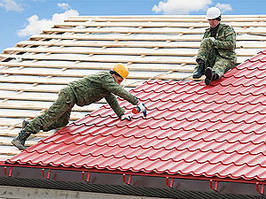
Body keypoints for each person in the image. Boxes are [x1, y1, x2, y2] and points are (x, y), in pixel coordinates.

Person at [12, 63, 143, 150]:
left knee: (62, 122)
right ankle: (20, 138)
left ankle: (30, 124)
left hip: (72, 98)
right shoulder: (106, 78)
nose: (119, 84)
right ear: (114, 75)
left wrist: (121, 114)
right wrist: (136, 102)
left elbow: (111, 99)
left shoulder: (107, 86)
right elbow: (118, 91)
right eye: (119, 81)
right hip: (69, 95)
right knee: (49, 117)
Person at [192, 7, 237, 85]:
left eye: (213, 20)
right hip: (213, 57)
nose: (211, 22)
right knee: (206, 41)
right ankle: (200, 67)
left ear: (218, 19)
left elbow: (231, 45)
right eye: (210, 20)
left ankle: (213, 76)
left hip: (226, 57)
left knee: (220, 65)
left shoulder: (227, 29)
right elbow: (204, 49)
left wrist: (215, 43)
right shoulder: (207, 32)